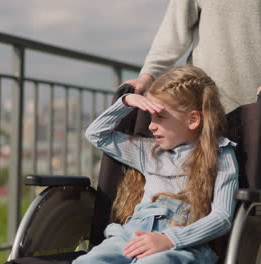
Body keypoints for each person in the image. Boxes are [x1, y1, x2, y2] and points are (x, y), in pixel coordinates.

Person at [125, 0, 261, 217]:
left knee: (259, 222)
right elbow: (172, 33)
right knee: (195, 215)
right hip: (206, 119)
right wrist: (147, 77)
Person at [73, 65, 238, 264]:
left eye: (160, 116)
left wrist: (169, 240)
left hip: (180, 243)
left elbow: (222, 217)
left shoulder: (220, 153)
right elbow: (96, 135)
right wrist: (126, 102)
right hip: (130, 236)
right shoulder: (149, 152)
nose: (151, 126)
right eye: (150, 117)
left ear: (193, 119)